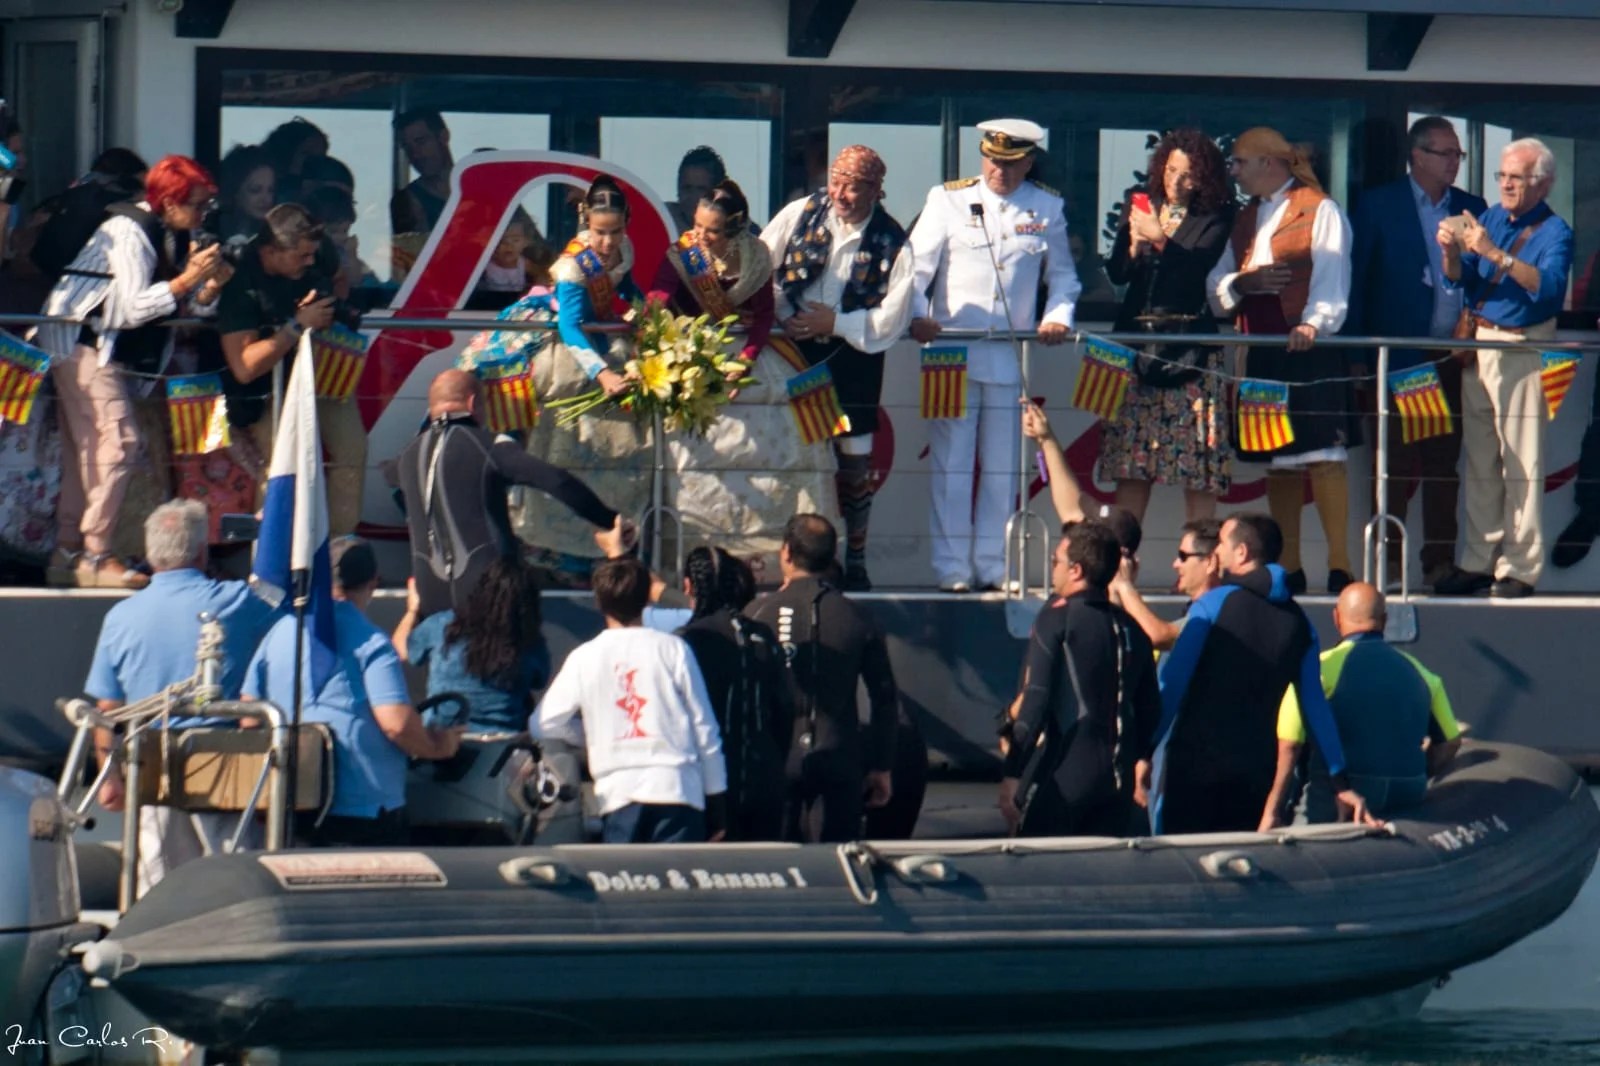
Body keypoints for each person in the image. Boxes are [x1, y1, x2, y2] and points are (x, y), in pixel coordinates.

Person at [34, 154, 227, 589]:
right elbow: (129, 309)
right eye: (195, 205)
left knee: (85, 449)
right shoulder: (129, 231)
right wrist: (184, 281)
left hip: (94, 345)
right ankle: (96, 554)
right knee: (120, 442)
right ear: (170, 201)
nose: (201, 215)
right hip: (83, 341)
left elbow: (189, 310)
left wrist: (208, 285)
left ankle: (68, 552)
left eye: (205, 206)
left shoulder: (174, 234)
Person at [907, 118, 1079, 593]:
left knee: (1005, 467)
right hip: (950, 352)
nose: (998, 171)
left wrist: (1058, 315)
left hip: (1010, 353)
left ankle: (991, 564)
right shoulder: (947, 199)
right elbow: (917, 269)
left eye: (1009, 163)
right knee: (952, 465)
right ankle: (951, 568)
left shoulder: (1046, 205)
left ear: (1028, 161)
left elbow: (1063, 276)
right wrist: (917, 315)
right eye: (991, 160)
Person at [84, 499, 279, 894]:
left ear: (150, 554)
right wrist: (271, 533)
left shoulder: (119, 618)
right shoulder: (237, 601)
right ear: (202, 552)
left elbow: (106, 710)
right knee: (235, 895)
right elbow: (286, 600)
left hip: (151, 775)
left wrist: (112, 778)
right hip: (224, 775)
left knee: (158, 898)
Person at [647, 178, 837, 566]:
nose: (700, 235)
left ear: (733, 229)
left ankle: (776, 552)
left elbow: (764, 316)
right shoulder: (683, 254)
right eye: (696, 226)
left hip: (752, 358)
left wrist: (745, 361)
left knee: (793, 442)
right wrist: (657, 310)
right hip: (694, 357)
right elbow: (661, 295)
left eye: (711, 231)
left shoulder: (756, 257)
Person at [1150, 513, 1372, 834]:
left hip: (1194, 769)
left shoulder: (1213, 604)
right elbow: (1315, 709)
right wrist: (1340, 780)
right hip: (1255, 773)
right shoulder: (1300, 624)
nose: (1216, 552)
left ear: (1241, 553)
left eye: (1222, 543)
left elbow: (1172, 685)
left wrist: (1144, 750)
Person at [1206, 127, 1356, 597]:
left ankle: (1339, 564)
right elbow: (1218, 281)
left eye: (1239, 162)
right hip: (1262, 344)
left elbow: (1333, 274)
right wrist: (1242, 284)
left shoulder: (1321, 208)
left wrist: (1315, 323)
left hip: (1305, 342)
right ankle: (1288, 564)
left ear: (1269, 163)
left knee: (1323, 453)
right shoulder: (1245, 217)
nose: (1233, 171)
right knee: (1279, 456)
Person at [760, 146, 915, 591]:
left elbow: (893, 317)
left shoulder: (891, 239)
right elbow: (760, 265)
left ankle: (857, 559)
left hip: (854, 358)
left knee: (853, 459)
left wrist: (837, 323)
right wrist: (782, 310)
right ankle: (798, 560)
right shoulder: (801, 212)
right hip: (795, 353)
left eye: (852, 186)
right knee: (797, 453)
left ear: (875, 191)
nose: (840, 194)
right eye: (836, 182)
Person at [243, 537, 463, 847]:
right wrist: (439, 746)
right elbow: (396, 724)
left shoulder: (280, 632)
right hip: (363, 813)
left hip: (287, 807)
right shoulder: (371, 642)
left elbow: (249, 716)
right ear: (374, 582)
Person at [1347, 117, 1487, 592]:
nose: (1454, 163)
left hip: (1452, 356)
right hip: (1397, 356)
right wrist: (1358, 354)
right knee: (1392, 463)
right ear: (1417, 156)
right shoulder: (1378, 204)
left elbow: (1483, 279)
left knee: (1443, 464)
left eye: (1458, 155)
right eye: (1446, 153)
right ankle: (1386, 563)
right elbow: (1357, 281)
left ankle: (1439, 564)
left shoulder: (1473, 207)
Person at [1435, 138, 1575, 599]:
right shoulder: (1493, 216)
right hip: (1479, 342)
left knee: (1521, 461)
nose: (1507, 184)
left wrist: (1494, 253)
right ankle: (1478, 560)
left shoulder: (1556, 232)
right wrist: (1452, 253)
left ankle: (1520, 567)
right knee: (1479, 459)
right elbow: (1464, 279)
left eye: (1517, 177)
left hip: (1520, 346)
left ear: (1544, 182)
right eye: (1502, 176)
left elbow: (1549, 290)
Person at [501, 177, 650, 575]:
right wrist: (600, 373)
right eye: (600, 233)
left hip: (606, 341)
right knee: (565, 446)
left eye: (615, 232)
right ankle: (552, 545)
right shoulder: (572, 266)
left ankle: (608, 539)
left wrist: (642, 312)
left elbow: (627, 286)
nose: (607, 242)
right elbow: (570, 327)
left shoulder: (624, 249)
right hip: (574, 352)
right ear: (587, 224)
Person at [394, 368, 623, 621]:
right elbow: (556, 481)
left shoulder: (406, 457)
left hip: (432, 604)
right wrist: (608, 520)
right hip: (490, 602)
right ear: (473, 403)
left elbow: (394, 484)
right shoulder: (488, 446)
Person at [530, 556, 728, 844]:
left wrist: (592, 736)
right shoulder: (674, 648)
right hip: (678, 789)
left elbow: (543, 723)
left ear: (598, 602)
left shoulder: (585, 656)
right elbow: (704, 729)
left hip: (619, 793)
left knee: (627, 884)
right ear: (647, 600)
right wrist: (718, 802)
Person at [1100, 128, 1236, 526]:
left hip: (1189, 348)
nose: (1176, 181)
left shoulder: (1218, 213)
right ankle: (1121, 562)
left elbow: (1198, 269)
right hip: (1136, 345)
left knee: (1198, 466)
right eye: (1171, 170)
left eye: (1188, 174)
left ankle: (1199, 563)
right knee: (1130, 462)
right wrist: (1131, 248)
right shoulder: (1139, 203)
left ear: (1205, 179)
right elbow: (1118, 274)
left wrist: (1162, 241)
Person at [214, 202, 367, 536]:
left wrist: (329, 305)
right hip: (265, 387)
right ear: (271, 251)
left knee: (352, 449)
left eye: (313, 254)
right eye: (302, 256)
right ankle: (271, 554)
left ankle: (340, 548)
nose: (310, 262)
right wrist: (296, 326)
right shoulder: (242, 283)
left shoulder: (315, 252)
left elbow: (337, 277)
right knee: (280, 463)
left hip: (318, 371)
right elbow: (243, 367)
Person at [999, 521, 1160, 837]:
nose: (1052, 569)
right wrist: (1142, 758)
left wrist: (1012, 773)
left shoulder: (1057, 619)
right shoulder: (1132, 628)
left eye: (1056, 562)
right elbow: (1150, 708)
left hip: (1067, 775)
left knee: (1037, 869)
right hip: (1118, 781)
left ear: (1076, 570)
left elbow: (1036, 700)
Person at [746, 514, 898, 843]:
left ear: (785, 553)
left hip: (776, 762)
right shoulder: (858, 617)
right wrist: (882, 766)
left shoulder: (757, 615)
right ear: (832, 557)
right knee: (837, 870)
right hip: (839, 760)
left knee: (775, 870)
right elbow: (885, 698)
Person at [1266, 581, 1462, 827]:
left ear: (1336, 618)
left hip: (1344, 793)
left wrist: (1272, 812)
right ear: (1385, 620)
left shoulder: (1318, 669)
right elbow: (1451, 741)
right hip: (1408, 791)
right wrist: (1420, 771)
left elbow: (1290, 745)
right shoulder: (1423, 673)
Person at [393, 559, 550, 734]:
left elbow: (401, 650)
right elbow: (539, 681)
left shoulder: (443, 625)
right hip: (503, 742)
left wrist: (412, 611)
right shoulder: (531, 643)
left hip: (442, 738)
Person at [1112, 518, 1224, 652]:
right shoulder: (1200, 608)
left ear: (1210, 562)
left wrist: (1124, 585)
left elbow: (1158, 636)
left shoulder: (1219, 609)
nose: (1175, 564)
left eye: (1183, 556)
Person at [390, 108, 454, 238]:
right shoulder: (406, 201)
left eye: (421, 142)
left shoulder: (478, 187)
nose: (415, 154)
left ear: (443, 136)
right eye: (407, 147)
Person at [259, 116, 328, 204]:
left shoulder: (321, 195)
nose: (314, 162)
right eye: (306, 154)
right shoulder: (265, 193)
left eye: (321, 157)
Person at [216, 144, 276, 241]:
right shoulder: (214, 231)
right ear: (235, 191)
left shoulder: (275, 235)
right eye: (255, 190)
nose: (266, 199)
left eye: (270, 190)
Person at [667, 145, 728, 236]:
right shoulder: (661, 219)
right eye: (687, 188)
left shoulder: (742, 233)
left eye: (701, 189)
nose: (693, 196)